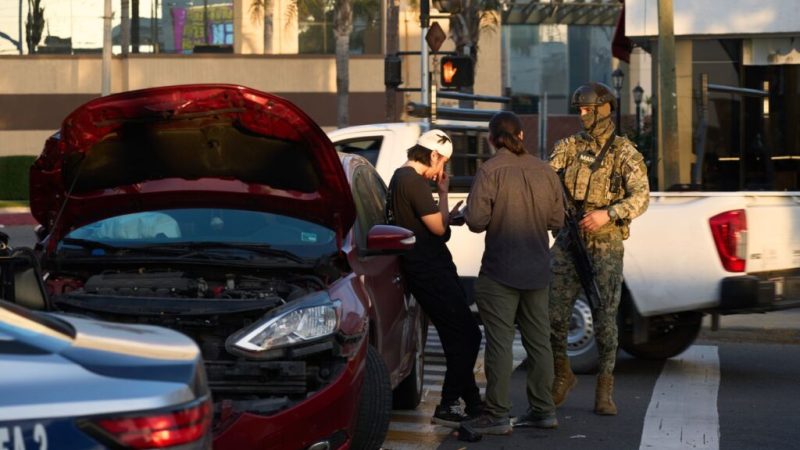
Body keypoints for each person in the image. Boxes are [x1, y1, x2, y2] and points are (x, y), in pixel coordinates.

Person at [548, 82, 650, 415]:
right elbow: (547, 180)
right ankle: (562, 372)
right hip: (568, 238)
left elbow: (640, 197)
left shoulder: (625, 153)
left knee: (606, 318)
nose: (581, 116)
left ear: (604, 109)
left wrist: (609, 213)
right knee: (553, 314)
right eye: (578, 110)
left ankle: (605, 389)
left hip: (605, 242)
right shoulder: (567, 147)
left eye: (586, 110)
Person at [462, 112, 565, 435]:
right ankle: (543, 410)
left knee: (500, 344)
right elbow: (556, 221)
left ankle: (497, 414)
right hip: (537, 270)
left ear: (492, 139)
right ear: (521, 135)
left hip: (500, 270)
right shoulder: (545, 170)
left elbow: (476, 220)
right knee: (539, 343)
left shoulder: (490, 170)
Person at [385, 129, 483, 427]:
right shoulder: (412, 181)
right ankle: (449, 403)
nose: (441, 171)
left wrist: (443, 213)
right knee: (469, 336)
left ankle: (474, 403)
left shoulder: (399, 178)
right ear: (433, 155)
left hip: (426, 270)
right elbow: (440, 230)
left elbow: (433, 224)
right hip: (430, 272)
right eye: (442, 164)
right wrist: (442, 193)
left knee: (457, 338)